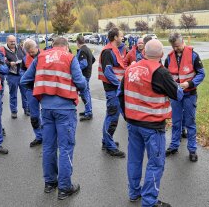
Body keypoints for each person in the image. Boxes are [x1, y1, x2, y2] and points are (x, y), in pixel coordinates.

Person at [118, 39, 183, 207]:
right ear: (161, 55)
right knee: (155, 164)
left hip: (133, 123)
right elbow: (177, 94)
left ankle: (134, 192)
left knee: (134, 159)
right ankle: (149, 201)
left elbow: (120, 94)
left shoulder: (131, 68)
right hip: (153, 127)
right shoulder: (161, 72)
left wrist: (127, 116)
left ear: (144, 53)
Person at [20, 37, 86, 200]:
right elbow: (81, 83)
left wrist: (42, 92)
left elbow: (24, 80)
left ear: (52, 45)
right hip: (65, 109)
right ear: (66, 47)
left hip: (47, 108)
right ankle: (64, 188)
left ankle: (50, 183)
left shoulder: (40, 57)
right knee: (65, 147)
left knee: (48, 146)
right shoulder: (70, 57)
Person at [165, 33, 205, 162]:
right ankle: (174, 145)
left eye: (177, 46)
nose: (175, 49)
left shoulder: (193, 55)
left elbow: (201, 73)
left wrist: (189, 84)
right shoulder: (169, 57)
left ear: (182, 42)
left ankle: (192, 150)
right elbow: (165, 74)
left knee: (190, 122)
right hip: (175, 95)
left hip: (189, 94)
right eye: (173, 46)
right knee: (176, 122)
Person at [98, 27, 126, 157]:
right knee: (112, 117)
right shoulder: (108, 52)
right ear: (115, 37)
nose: (123, 38)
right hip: (113, 90)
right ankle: (109, 146)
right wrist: (120, 85)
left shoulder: (113, 51)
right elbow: (108, 72)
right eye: (121, 36)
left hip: (115, 90)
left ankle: (106, 140)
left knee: (111, 115)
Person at [22, 39, 43, 147]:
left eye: (32, 51)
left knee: (46, 114)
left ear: (37, 47)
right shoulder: (25, 59)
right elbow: (22, 72)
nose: (31, 54)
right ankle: (39, 137)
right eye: (28, 52)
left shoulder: (44, 56)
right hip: (31, 90)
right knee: (34, 116)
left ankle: (47, 136)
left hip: (44, 90)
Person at [3, 35, 28, 118]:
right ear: (7, 41)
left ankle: (26, 109)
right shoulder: (3, 50)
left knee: (25, 93)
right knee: (13, 94)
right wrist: (9, 64)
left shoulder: (20, 48)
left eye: (14, 41)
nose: (13, 43)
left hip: (22, 73)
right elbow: (1, 62)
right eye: (11, 41)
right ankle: (14, 111)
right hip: (12, 75)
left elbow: (26, 57)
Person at [76, 35, 96, 121]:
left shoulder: (83, 50)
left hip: (84, 75)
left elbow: (84, 64)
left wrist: (75, 69)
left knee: (85, 94)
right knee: (86, 93)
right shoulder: (87, 49)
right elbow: (93, 59)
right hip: (87, 74)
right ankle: (88, 110)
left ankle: (88, 112)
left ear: (77, 42)